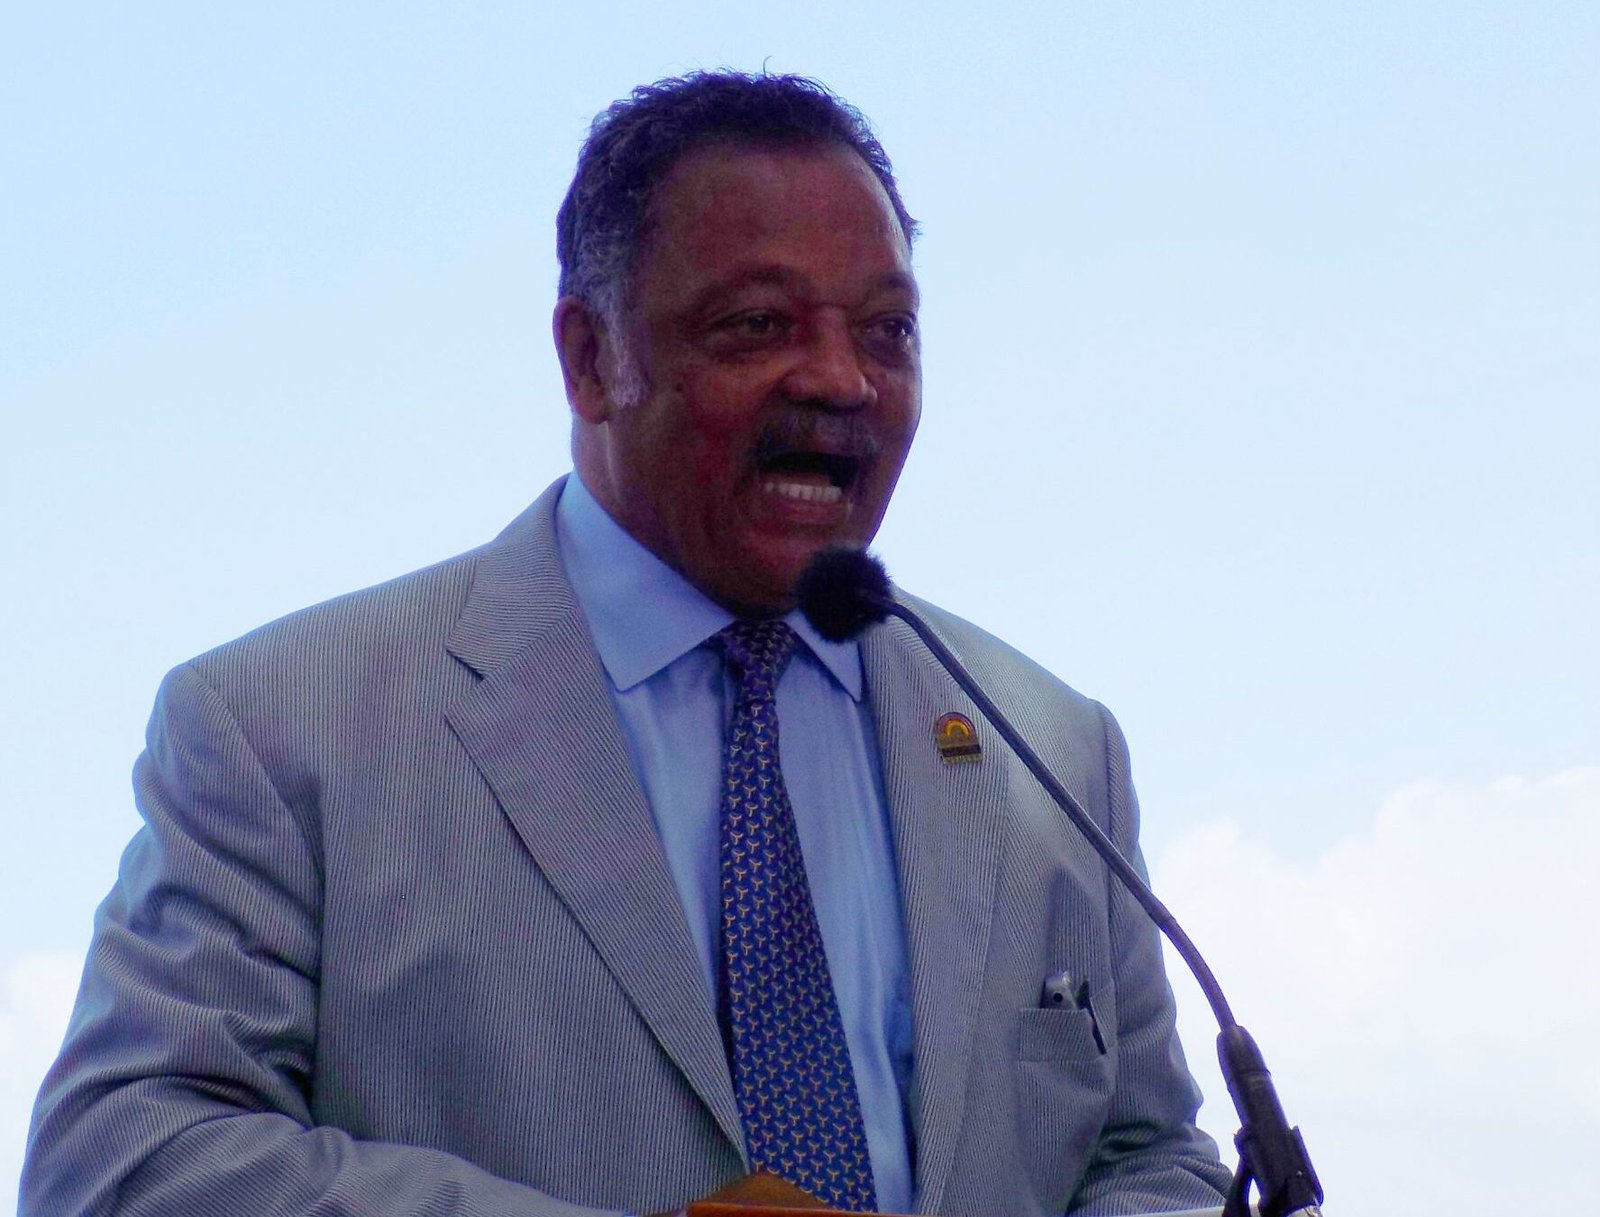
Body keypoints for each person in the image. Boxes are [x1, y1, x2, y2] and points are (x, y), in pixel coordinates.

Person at [23, 72, 1231, 1217]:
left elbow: (1150, 1155)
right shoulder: (284, 726)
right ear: (591, 357)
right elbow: (122, 1158)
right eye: (758, 323)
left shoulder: (1049, 750)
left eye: (888, 329)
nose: (840, 378)